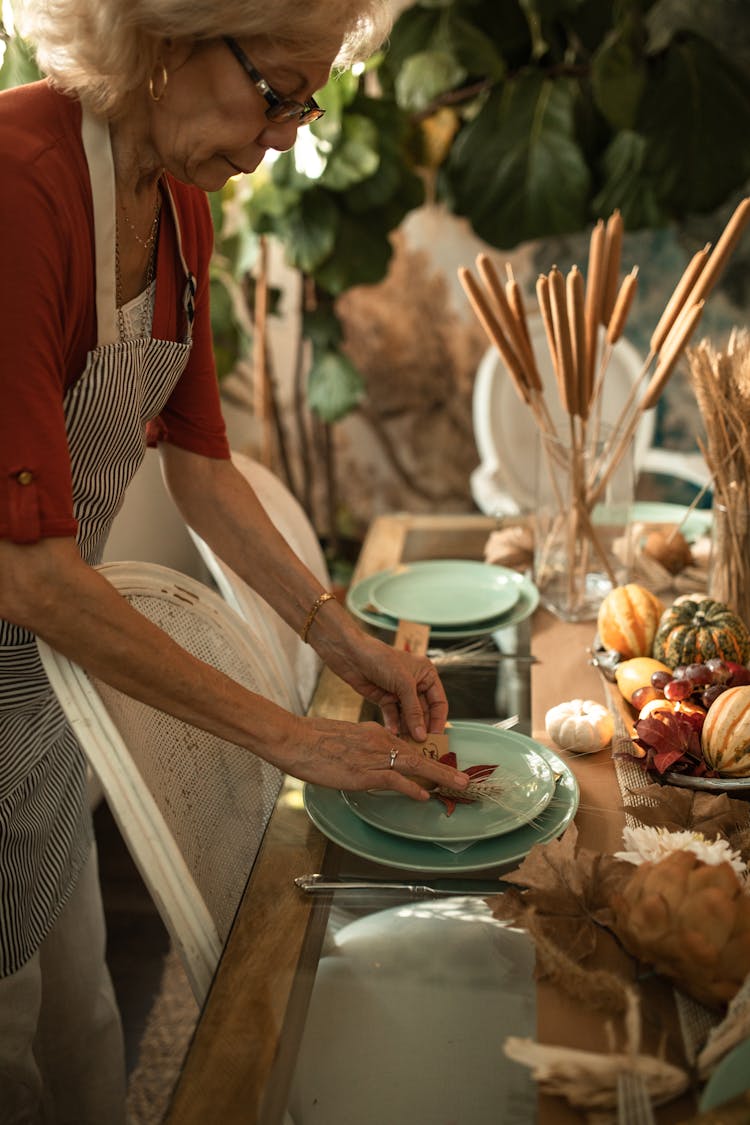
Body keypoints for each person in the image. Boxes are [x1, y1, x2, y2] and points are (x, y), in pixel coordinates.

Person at [0, 0, 469, 1119]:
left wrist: (350, 646)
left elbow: (201, 469)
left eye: (309, 101)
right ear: (164, 42)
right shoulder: (21, 190)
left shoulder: (176, 209)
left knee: (82, 1029)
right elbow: (27, 571)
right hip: (35, 618)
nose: (290, 136)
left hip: (44, 679)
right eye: (280, 92)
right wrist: (299, 739)